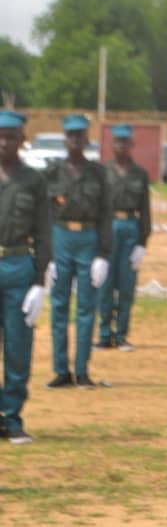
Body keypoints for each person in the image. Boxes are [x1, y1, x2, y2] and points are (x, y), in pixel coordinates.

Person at [43, 113, 111, 390]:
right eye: (70, 136)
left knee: (86, 307)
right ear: (65, 140)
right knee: (59, 306)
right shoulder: (52, 172)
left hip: (88, 237)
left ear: (86, 139)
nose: (75, 141)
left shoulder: (98, 173)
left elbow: (106, 214)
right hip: (60, 237)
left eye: (79, 136)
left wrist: (103, 255)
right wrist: (45, 255)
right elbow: (44, 214)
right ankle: (61, 371)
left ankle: (82, 370)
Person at [0, 110, 50, 444]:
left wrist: (39, 281)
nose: (5, 143)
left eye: (12, 136)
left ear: (22, 139)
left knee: (18, 347)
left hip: (19, 266)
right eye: (1, 136)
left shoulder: (34, 181)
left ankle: (12, 417)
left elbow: (45, 233)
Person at [96, 123, 151, 352]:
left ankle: (121, 335)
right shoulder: (102, 172)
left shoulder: (140, 174)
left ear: (131, 145)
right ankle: (104, 334)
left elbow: (146, 211)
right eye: (117, 142)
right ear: (112, 145)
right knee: (105, 284)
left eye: (125, 142)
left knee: (126, 285)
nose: (121, 146)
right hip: (108, 227)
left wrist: (142, 243)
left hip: (130, 226)